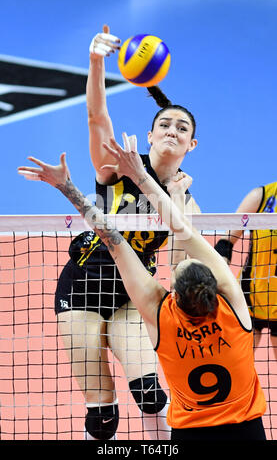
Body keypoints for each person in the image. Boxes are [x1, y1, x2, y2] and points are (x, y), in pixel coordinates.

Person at [17, 135, 267, 441]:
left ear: (172, 294)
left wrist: (66, 186)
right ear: (218, 290)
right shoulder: (236, 314)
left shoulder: (163, 319)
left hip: (191, 433)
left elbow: (112, 238)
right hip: (247, 431)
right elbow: (182, 231)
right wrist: (157, 184)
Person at [18, 26, 200, 441]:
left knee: (152, 395)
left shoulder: (186, 200)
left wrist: (173, 198)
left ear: (192, 144)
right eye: (165, 124)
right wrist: (96, 62)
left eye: (182, 128)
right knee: (102, 417)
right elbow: (97, 117)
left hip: (132, 296)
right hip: (80, 288)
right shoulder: (116, 167)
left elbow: (178, 266)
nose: (172, 130)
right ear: (151, 135)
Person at [214, 183, 277, 359]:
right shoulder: (262, 196)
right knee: (235, 366)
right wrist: (219, 277)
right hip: (250, 299)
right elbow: (225, 244)